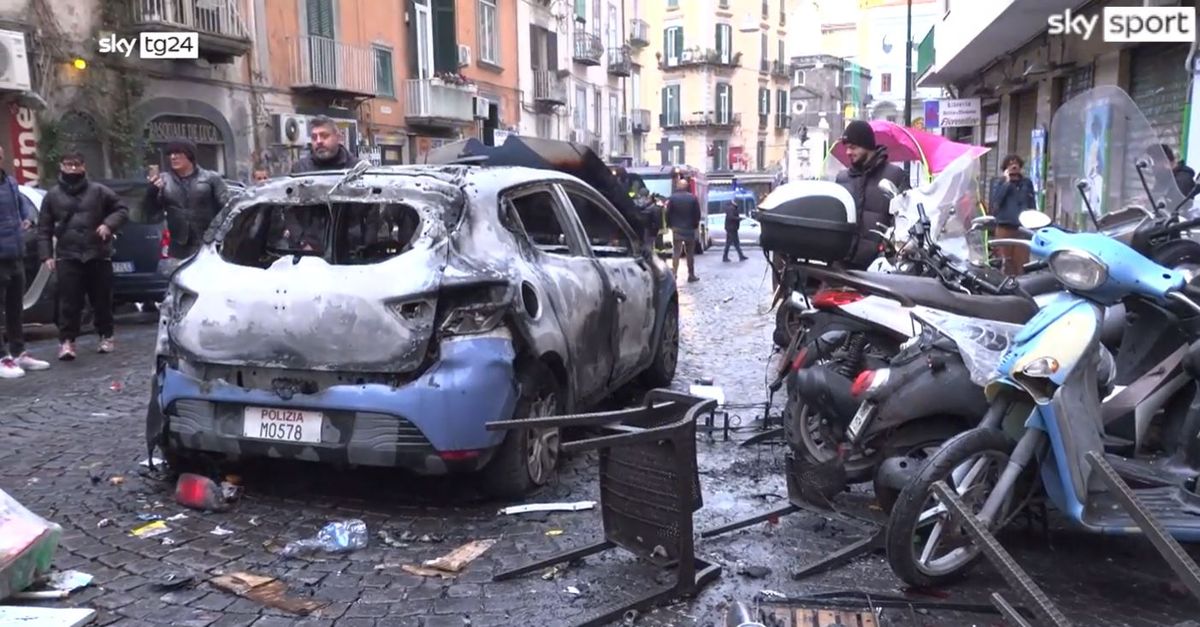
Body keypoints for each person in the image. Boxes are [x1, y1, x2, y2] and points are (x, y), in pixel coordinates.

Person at [38, 151, 129, 360]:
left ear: (83, 167)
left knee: (102, 300)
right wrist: (46, 256)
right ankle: (67, 342)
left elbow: (122, 209)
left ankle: (106, 335)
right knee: (68, 302)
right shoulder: (52, 195)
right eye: (68, 164)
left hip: (97, 252)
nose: (72, 169)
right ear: (61, 166)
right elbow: (44, 228)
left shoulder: (99, 191)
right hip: (68, 254)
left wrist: (108, 224)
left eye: (76, 165)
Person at [0, 144, 50, 378]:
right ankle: (2, 357)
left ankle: (19, 351)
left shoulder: (10, 182)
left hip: (15, 254)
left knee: (15, 308)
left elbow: (21, 210)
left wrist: (27, 219)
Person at [834, 120, 908, 269]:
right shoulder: (842, 179)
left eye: (853, 147)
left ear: (867, 146)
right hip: (842, 265)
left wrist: (889, 248)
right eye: (847, 148)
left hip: (879, 267)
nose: (848, 152)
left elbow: (906, 219)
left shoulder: (895, 176)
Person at [144, 138, 230, 264]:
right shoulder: (163, 180)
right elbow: (151, 215)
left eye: (178, 153)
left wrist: (215, 234)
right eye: (171, 154)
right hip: (178, 247)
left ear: (190, 155)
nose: (173, 157)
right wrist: (151, 193)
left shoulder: (211, 178)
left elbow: (227, 209)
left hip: (209, 245)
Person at [988, 154, 1037, 276]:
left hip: (1022, 229)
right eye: (1010, 164)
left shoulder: (1026, 183)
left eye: (1016, 164)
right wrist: (1007, 182)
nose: (1014, 167)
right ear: (1005, 168)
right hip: (1005, 228)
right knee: (1005, 263)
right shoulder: (1000, 183)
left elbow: (1032, 203)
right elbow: (996, 202)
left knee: (1021, 264)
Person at [665, 176, 701, 282]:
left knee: (676, 252)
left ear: (678, 186)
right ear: (687, 187)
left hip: (677, 228)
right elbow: (697, 214)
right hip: (689, 229)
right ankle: (691, 275)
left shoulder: (672, 198)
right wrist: (695, 225)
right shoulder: (693, 198)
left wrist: (670, 224)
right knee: (690, 253)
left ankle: (674, 274)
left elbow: (668, 213)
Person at [290, 116, 355, 173]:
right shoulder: (300, 169)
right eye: (314, 137)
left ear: (338, 138)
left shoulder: (357, 168)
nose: (318, 141)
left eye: (324, 136)